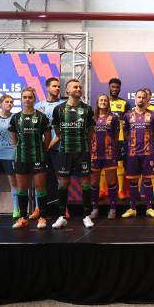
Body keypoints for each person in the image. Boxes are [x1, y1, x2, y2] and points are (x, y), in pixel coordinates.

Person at [51, 79, 96, 229]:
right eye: (75, 87)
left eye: (80, 87)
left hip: (82, 151)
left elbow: (90, 133)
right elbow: (57, 131)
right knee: (63, 183)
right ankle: (62, 216)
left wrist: (83, 145)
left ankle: (86, 216)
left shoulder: (88, 109)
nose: (78, 89)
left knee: (85, 182)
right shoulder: (58, 109)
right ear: (67, 91)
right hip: (64, 152)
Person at [8, 87, 51, 229]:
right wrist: (19, 148)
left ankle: (43, 217)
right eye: (25, 97)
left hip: (39, 156)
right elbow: (13, 136)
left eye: (30, 97)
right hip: (21, 157)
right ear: (21, 99)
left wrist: (41, 150)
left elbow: (48, 137)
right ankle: (23, 218)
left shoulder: (42, 117)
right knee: (22, 188)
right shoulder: (16, 118)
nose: (27, 100)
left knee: (40, 187)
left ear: (34, 99)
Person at [120, 89, 154, 218]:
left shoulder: (153, 115)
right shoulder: (127, 115)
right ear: (135, 98)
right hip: (132, 153)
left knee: (147, 180)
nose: (141, 100)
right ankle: (132, 208)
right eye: (138, 97)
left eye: (143, 97)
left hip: (147, 153)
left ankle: (149, 208)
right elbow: (126, 133)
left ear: (147, 100)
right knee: (133, 182)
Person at [30, 77, 65, 220]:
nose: (57, 88)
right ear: (47, 88)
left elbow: (63, 130)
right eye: (54, 86)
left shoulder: (64, 105)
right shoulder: (38, 106)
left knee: (62, 180)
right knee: (40, 181)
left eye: (58, 86)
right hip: (42, 150)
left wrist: (49, 146)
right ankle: (39, 208)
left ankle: (64, 209)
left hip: (59, 148)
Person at [90, 94, 120, 219]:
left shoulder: (113, 118)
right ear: (97, 102)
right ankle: (94, 209)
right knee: (94, 183)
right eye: (101, 100)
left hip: (109, 154)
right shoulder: (92, 118)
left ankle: (112, 209)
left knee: (112, 182)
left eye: (105, 100)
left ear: (108, 103)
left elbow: (117, 137)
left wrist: (114, 152)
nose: (103, 102)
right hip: (94, 154)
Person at [107, 77, 131, 200]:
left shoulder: (124, 103)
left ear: (120, 89)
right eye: (113, 87)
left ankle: (120, 191)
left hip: (120, 139)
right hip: (104, 139)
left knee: (120, 164)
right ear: (109, 88)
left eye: (117, 87)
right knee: (104, 165)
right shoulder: (103, 101)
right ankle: (102, 191)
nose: (115, 89)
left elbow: (129, 121)